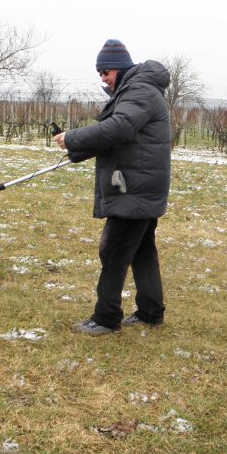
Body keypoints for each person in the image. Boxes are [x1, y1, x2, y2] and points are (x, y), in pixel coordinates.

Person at [53, 39, 171, 336]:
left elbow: (118, 128)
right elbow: (119, 136)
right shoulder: (136, 89)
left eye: (106, 72)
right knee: (142, 251)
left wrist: (73, 138)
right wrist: (75, 151)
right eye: (99, 73)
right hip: (140, 184)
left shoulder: (139, 90)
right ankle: (150, 312)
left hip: (134, 188)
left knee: (114, 251)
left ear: (120, 68)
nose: (103, 78)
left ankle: (106, 318)